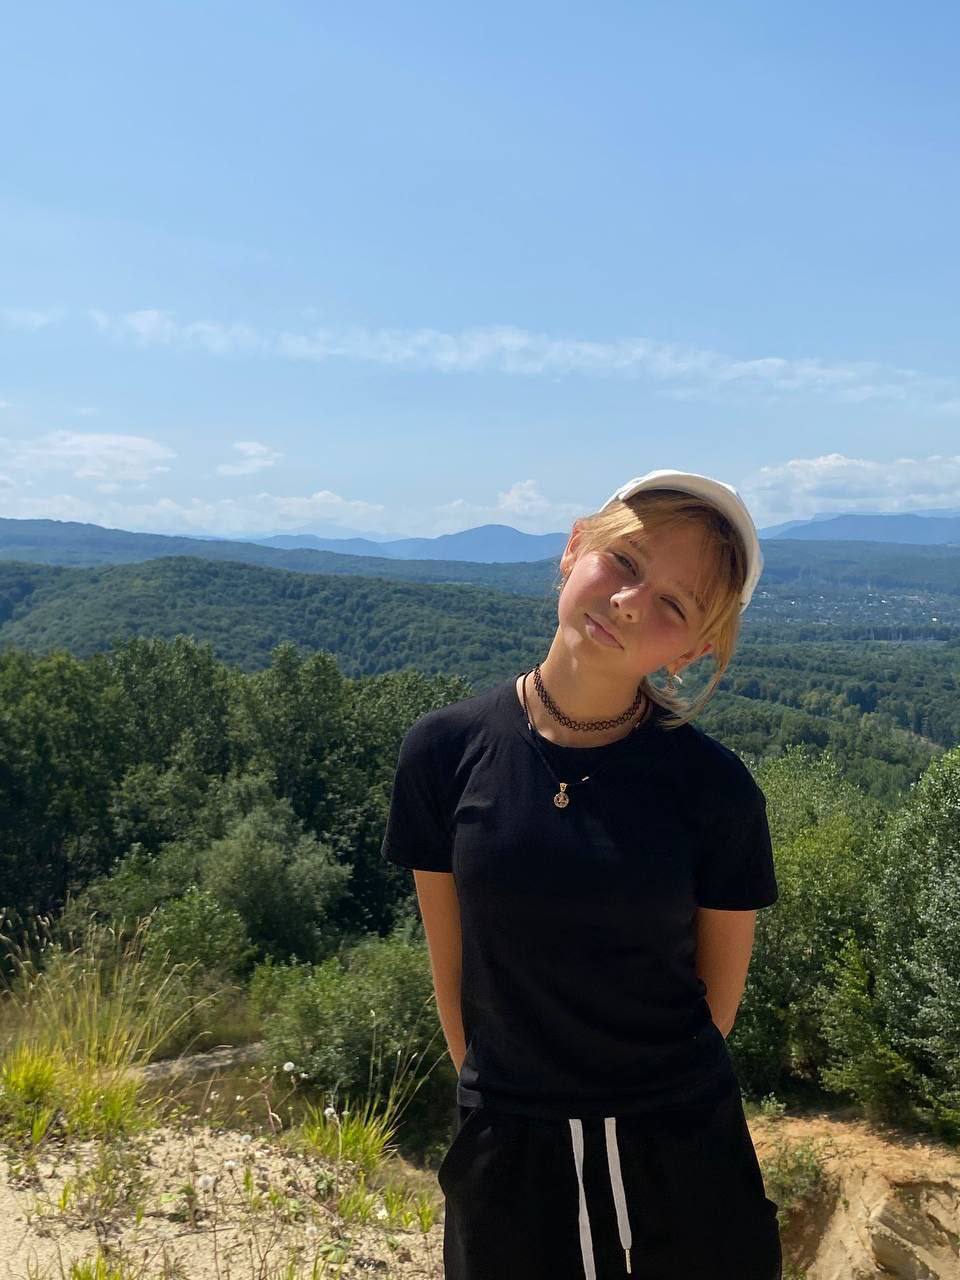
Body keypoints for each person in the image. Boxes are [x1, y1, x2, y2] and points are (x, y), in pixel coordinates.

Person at [380, 469, 782, 1279]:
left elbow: (717, 1003)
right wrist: (505, 1099)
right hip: (507, 1161)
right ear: (573, 548)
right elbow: (454, 976)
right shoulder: (443, 752)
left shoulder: (715, 790)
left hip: (682, 1158)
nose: (630, 602)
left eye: (673, 605)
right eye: (624, 562)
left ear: (693, 650)